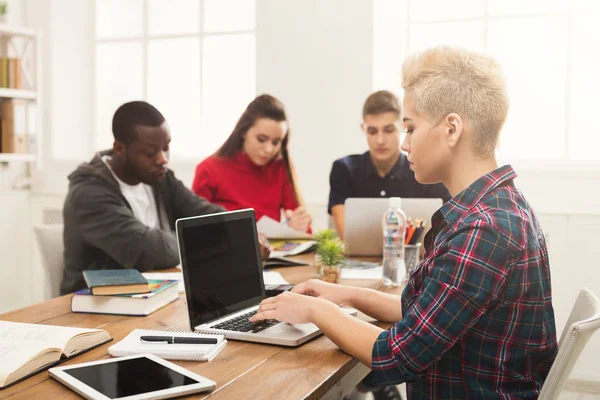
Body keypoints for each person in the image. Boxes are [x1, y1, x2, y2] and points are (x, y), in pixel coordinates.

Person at [251, 47, 557, 399]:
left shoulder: (484, 231)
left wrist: (316, 310)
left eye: (409, 128)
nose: (405, 144)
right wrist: (341, 294)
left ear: (452, 129)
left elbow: (394, 356)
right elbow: (422, 309)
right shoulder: (495, 208)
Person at [61, 101, 270, 295]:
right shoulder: (88, 194)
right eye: (151, 152)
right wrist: (216, 237)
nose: (162, 159)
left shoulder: (158, 177)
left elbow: (202, 210)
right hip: (97, 307)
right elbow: (150, 249)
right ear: (120, 149)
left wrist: (243, 231)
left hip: (153, 296)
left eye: (166, 147)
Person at [328, 90, 450, 239]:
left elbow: (445, 232)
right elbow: (346, 237)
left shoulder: (425, 171)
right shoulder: (344, 170)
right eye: (372, 131)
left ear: (403, 126)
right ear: (363, 128)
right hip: (356, 261)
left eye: (388, 130)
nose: (380, 140)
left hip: (415, 261)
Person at [192, 94, 312, 233]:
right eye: (261, 139)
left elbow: (305, 229)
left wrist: (299, 227)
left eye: (276, 142)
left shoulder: (280, 169)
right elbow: (196, 230)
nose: (268, 150)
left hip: (270, 252)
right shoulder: (209, 169)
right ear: (243, 131)